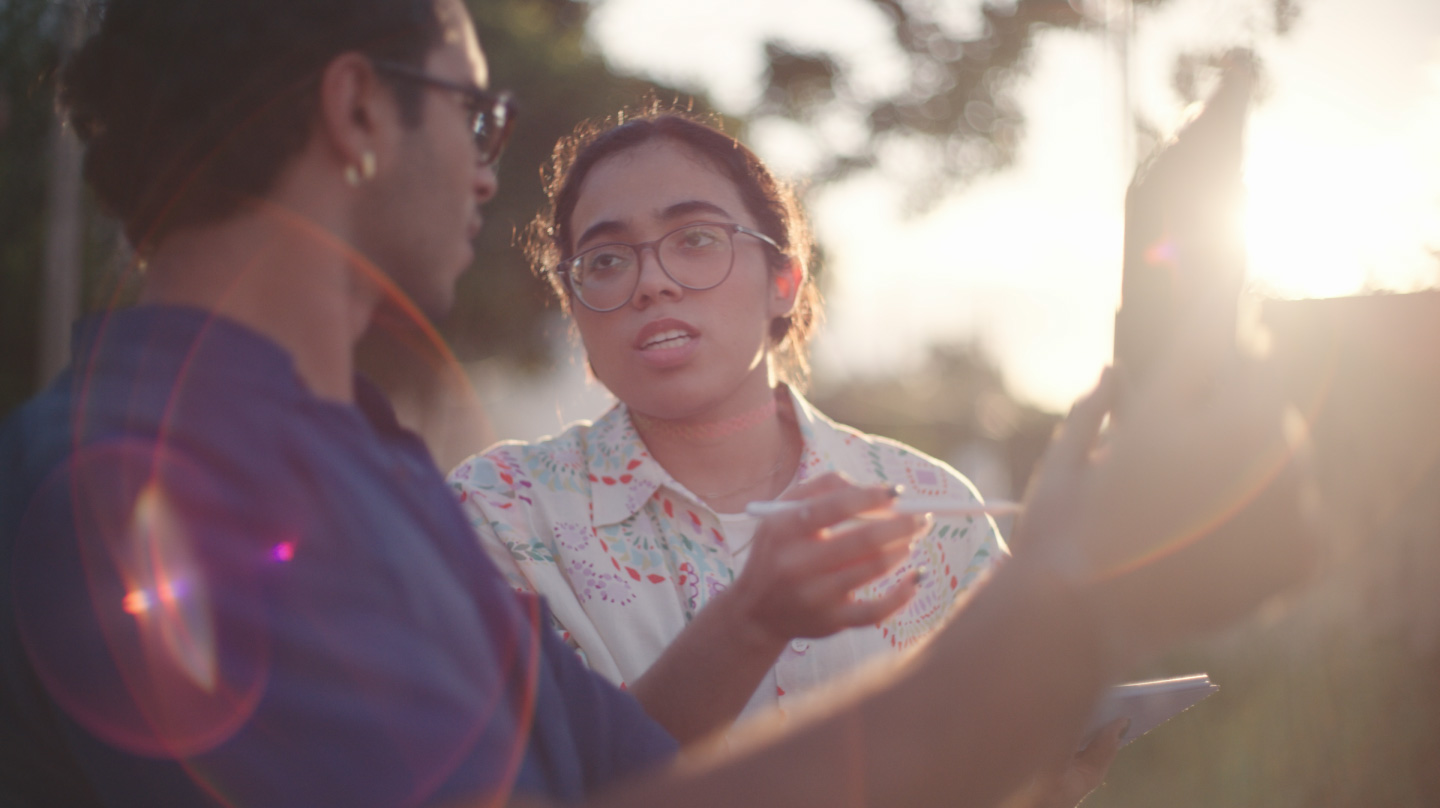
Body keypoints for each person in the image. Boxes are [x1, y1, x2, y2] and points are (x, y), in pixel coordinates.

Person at [0, 1, 1318, 806]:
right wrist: (1073, 600)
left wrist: (1009, 687)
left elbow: (620, 772)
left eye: (696, 241)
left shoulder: (366, 470)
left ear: (782, 280)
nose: (487, 174)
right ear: (357, 111)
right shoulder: (148, 485)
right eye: (476, 112)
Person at [449, 112, 1005, 740]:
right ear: (574, 309)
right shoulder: (498, 512)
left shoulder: (934, 509)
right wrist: (750, 624)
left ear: (784, 281)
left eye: (696, 238)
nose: (651, 282)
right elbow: (526, 775)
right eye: (604, 260)